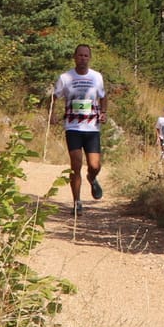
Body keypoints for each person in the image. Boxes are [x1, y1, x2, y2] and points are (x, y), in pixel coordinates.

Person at [51, 43, 109, 206]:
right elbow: (53, 97)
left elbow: (103, 96)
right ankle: (77, 201)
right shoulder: (65, 77)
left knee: (94, 165)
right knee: (76, 164)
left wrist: (103, 112)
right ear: (74, 57)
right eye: (80, 55)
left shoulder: (96, 76)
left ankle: (92, 177)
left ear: (89, 58)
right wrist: (53, 114)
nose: (83, 58)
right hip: (73, 127)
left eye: (86, 56)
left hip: (92, 128)